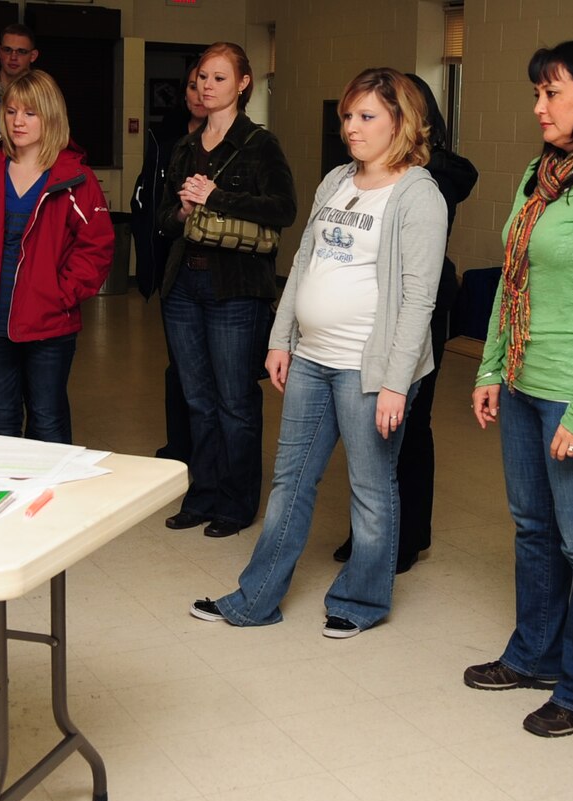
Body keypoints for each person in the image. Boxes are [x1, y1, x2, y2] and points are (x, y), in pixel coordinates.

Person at [190, 68, 447, 636]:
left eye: (366, 117)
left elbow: (418, 300)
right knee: (291, 481)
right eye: (347, 118)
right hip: (312, 357)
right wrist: (283, 339)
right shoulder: (335, 180)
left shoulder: (417, 194)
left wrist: (396, 383)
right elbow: (305, 263)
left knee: (371, 489)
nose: (351, 128)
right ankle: (255, 599)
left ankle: (360, 603)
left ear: (401, 123)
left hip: (369, 367)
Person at [464, 41, 573, 738]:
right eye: (537, 93)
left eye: (553, 93)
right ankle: (534, 655)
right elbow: (514, 278)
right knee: (534, 530)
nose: (538, 107)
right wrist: (489, 369)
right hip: (523, 384)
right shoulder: (540, 175)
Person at [333, 73, 478, 573]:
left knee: (411, 423)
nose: (358, 126)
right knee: (373, 428)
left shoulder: (436, 173)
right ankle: (373, 533)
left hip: (422, 305)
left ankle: (407, 536)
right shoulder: (357, 172)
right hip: (373, 306)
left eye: (372, 114)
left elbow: (461, 174)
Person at [157, 42, 297, 538]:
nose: (207, 86)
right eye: (202, 78)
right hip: (184, 284)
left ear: (242, 83)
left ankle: (237, 504)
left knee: (235, 401)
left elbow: (283, 209)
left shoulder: (260, 143)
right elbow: (163, 222)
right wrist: (182, 212)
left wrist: (218, 197)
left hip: (236, 287)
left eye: (219, 77)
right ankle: (203, 494)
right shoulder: (182, 146)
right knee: (196, 398)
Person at [0, 70, 113, 443]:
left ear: (50, 116)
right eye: (12, 112)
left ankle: (52, 501)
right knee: (0, 419)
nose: (18, 122)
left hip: (49, 322)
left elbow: (97, 247)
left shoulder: (75, 178)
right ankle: (9, 500)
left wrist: (61, 293)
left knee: (47, 418)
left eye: (30, 113)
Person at [131, 64, 207, 464]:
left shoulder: (237, 140)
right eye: (193, 84)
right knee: (178, 364)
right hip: (172, 259)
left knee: (211, 372)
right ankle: (180, 446)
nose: (201, 92)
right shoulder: (164, 136)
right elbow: (148, 201)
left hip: (215, 266)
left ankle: (211, 452)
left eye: (210, 83)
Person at [0, 23, 38, 99]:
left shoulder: (41, 92)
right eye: (7, 50)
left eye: (21, 51)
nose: (13, 57)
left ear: (33, 56)